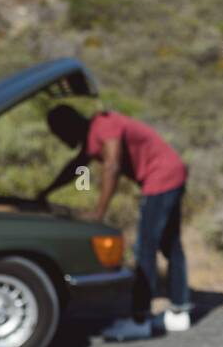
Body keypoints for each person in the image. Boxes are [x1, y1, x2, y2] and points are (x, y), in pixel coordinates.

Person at [40, 105, 192, 331]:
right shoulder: (93, 135)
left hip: (161, 177)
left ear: (68, 126)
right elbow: (75, 167)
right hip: (171, 173)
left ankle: (141, 319)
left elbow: (112, 165)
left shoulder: (104, 125)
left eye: (59, 133)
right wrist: (45, 192)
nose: (61, 139)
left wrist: (99, 212)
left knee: (145, 247)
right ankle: (180, 313)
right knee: (169, 244)